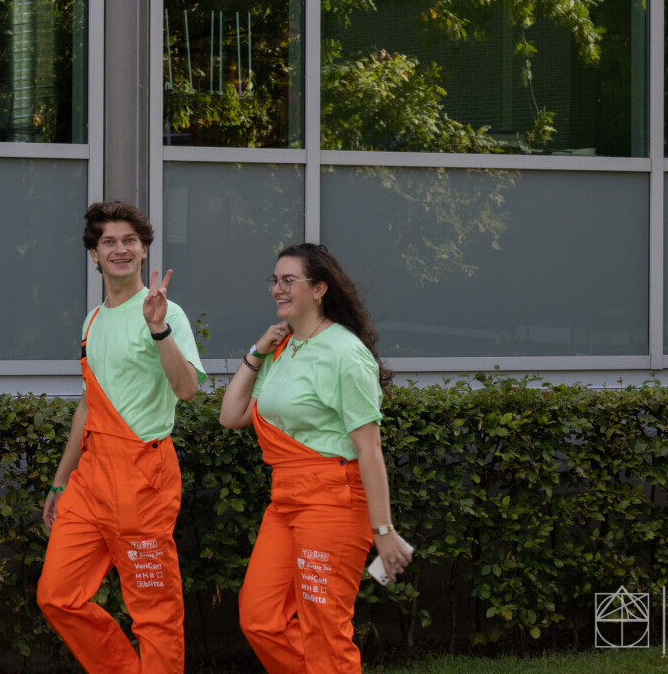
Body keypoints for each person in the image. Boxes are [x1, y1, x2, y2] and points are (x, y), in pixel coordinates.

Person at [219, 242, 410, 674]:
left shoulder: (345, 353)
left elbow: (369, 448)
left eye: (289, 280)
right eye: (275, 280)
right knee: (260, 618)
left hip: (334, 501)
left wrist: (383, 530)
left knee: (324, 628)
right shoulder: (284, 347)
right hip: (285, 499)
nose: (278, 289)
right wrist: (257, 352)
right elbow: (231, 416)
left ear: (320, 288)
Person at [37, 201, 205, 674]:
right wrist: (60, 481)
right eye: (108, 241)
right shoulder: (93, 320)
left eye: (130, 240)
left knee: (154, 612)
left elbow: (187, 390)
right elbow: (89, 404)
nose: (120, 249)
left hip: (142, 479)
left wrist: (158, 329)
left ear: (144, 249)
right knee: (57, 595)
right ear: (94, 254)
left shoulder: (166, 314)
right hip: (90, 478)